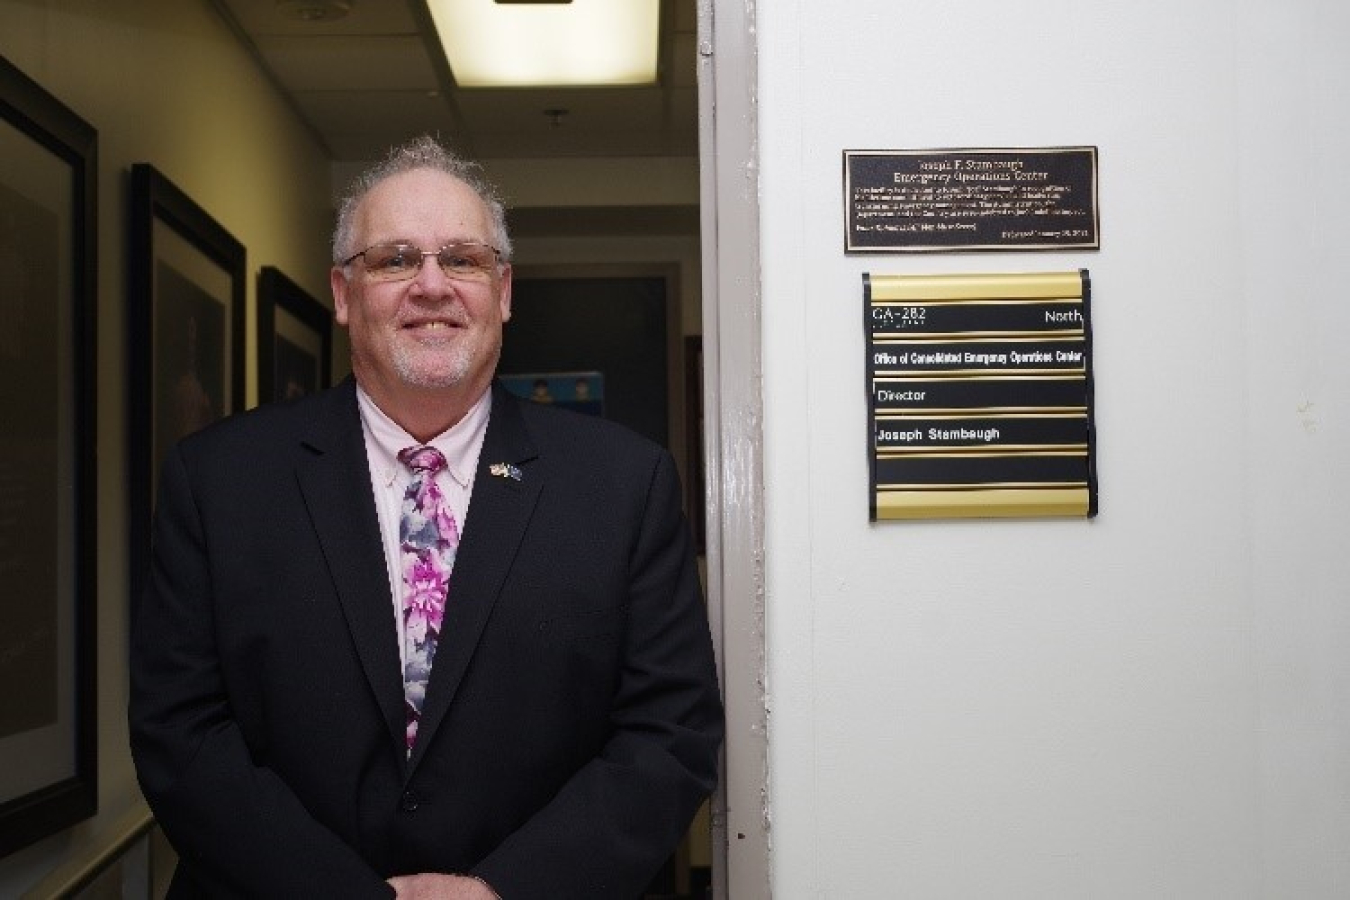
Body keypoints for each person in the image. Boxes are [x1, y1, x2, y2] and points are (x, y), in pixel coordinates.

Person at [129, 135, 724, 899]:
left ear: (503, 292)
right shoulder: (218, 481)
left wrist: (501, 890)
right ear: (343, 294)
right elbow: (181, 735)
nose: (433, 286)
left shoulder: (623, 484)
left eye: (464, 260)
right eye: (396, 259)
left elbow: (669, 735)